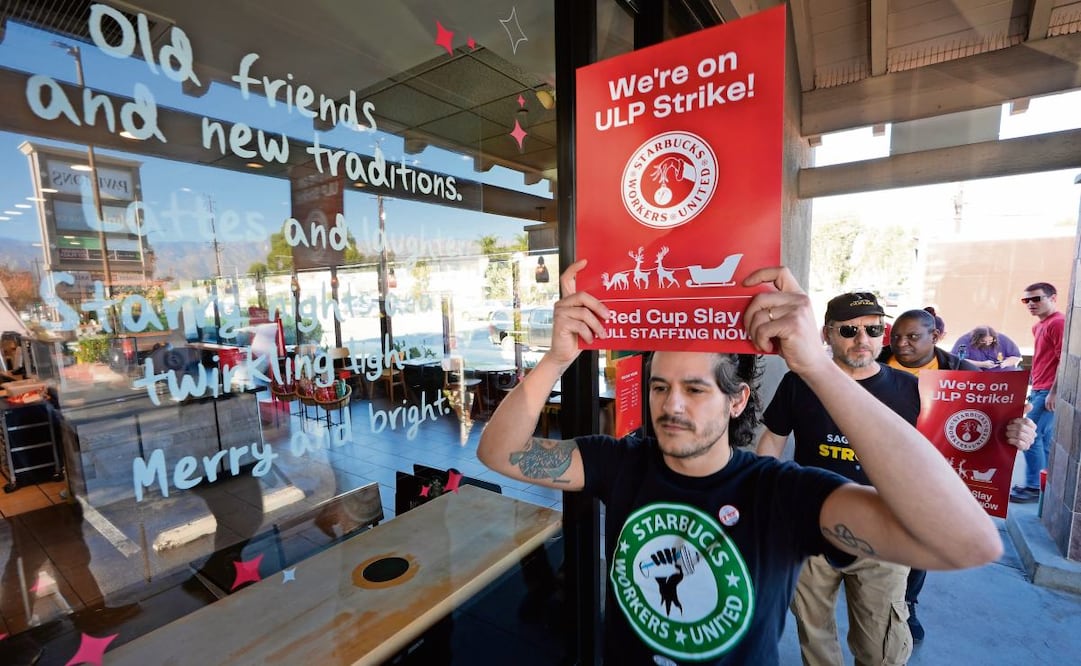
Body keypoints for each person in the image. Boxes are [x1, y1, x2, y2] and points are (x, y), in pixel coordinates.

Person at [478, 261, 1009, 665]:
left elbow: (969, 543)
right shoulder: (621, 462)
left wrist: (818, 369)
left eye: (694, 388)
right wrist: (556, 359)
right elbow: (499, 452)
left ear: (736, 402)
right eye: (660, 387)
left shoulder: (780, 492)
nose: (672, 406)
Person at [759, 292, 919, 664]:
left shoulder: (911, 389)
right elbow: (771, 440)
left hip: (886, 532)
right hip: (812, 530)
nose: (862, 339)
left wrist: (1010, 434)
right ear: (827, 334)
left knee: (883, 646)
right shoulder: (800, 382)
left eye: (873, 329)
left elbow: (956, 446)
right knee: (814, 638)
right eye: (848, 330)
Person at [1011, 282, 1066, 504]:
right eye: (1027, 300)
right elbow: (1042, 360)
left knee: (1029, 438)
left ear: (1053, 298)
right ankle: (1044, 487)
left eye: (1037, 299)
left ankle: (1034, 487)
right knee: (1043, 439)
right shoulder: (1039, 326)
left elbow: (1065, 360)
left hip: (1048, 393)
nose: (1031, 304)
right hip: (1038, 390)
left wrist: (1054, 393)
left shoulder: (1059, 323)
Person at [951, 326, 1023, 371]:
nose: (987, 343)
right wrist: (981, 364)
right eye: (983, 341)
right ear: (975, 339)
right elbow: (959, 360)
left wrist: (1004, 363)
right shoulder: (964, 342)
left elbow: (1016, 357)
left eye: (990, 341)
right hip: (974, 374)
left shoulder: (1002, 339)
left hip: (999, 373)